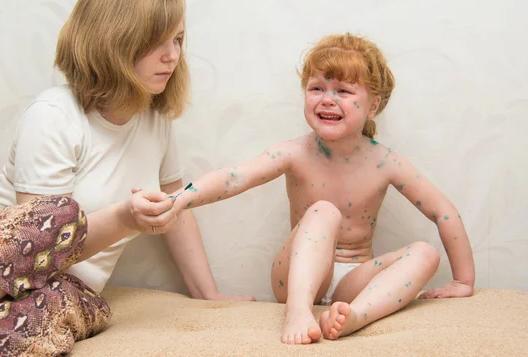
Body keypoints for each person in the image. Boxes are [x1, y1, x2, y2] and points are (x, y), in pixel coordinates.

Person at [0, 0, 253, 357]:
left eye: (178, 40)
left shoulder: (155, 120)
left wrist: (208, 294)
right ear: (113, 42)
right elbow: (40, 245)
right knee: (58, 215)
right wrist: (123, 219)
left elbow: (177, 206)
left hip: (64, 288)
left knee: (68, 302)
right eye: (156, 42)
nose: (173, 55)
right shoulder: (54, 114)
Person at [157, 33, 475, 345]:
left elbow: (442, 210)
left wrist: (463, 280)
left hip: (353, 279)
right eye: (317, 88)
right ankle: (298, 311)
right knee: (324, 209)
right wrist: (180, 197)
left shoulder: (385, 162)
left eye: (344, 90)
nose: (327, 99)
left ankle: (355, 316)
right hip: (296, 276)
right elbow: (234, 177)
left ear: (373, 105)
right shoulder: (295, 153)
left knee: (425, 253)